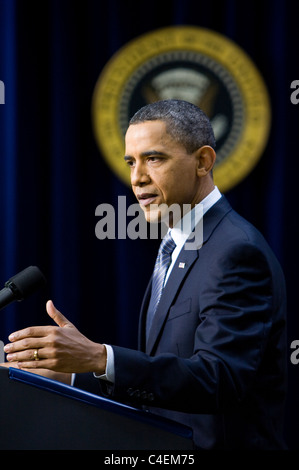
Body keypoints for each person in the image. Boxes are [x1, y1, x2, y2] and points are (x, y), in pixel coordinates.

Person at [1, 100, 287, 450]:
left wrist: (101, 357)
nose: (137, 178)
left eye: (154, 159)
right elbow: (160, 391)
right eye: (131, 162)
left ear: (203, 161)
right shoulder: (175, 246)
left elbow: (220, 380)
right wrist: (75, 373)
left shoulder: (235, 251)